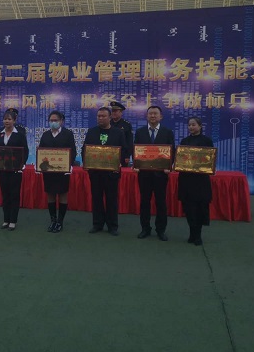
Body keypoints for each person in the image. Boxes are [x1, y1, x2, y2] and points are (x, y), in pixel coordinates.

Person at [82, 107, 127, 236]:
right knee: (96, 198)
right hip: (95, 172)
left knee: (111, 199)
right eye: (98, 116)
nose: (100, 118)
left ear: (110, 117)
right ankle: (97, 224)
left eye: (103, 116)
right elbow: (84, 149)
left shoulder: (118, 132)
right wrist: (86, 162)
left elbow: (124, 150)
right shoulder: (92, 132)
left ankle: (112, 226)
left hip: (111, 173)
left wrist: (120, 163)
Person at [134, 105, 175, 241]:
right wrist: (136, 164)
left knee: (161, 202)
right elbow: (136, 150)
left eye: (155, 114)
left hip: (161, 174)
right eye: (150, 113)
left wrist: (169, 166)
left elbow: (172, 151)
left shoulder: (167, 132)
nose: (152, 116)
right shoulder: (140, 132)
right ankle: (145, 228)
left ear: (160, 116)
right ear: (146, 116)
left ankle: (161, 230)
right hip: (144, 174)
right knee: (144, 202)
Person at [178, 117, 214, 246]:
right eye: (189, 125)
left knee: (200, 208)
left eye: (193, 125)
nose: (191, 127)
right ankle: (191, 233)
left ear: (200, 126)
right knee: (189, 208)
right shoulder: (184, 141)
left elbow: (209, 159)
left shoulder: (207, 141)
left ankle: (198, 235)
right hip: (186, 179)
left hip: (200, 180)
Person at [38, 110, 76, 233]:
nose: (53, 122)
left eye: (56, 120)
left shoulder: (68, 134)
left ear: (61, 121)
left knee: (63, 194)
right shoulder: (45, 135)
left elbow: (73, 151)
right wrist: (39, 165)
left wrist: (69, 165)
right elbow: (41, 151)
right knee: (50, 194)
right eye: (51, 120)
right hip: (49, 171)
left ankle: (60, 221)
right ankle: (53, 220)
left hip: (62, 170)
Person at [0, 110, 29, 231]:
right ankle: (6, 220)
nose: (6, 121)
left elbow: (25, 151)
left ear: (14, 120)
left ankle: (13, 221)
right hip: (2, 169)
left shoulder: (19, 135)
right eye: (5, 119)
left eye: (9, 119)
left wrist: (22, 164)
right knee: (5, 194)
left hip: (15, 170)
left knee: (14, 194)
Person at [110, 101, 133, 166]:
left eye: (115, 111)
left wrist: (127, 155)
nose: (113, 113)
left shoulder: (126, 124)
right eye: (112, 111)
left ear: (121, 112)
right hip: (109, 153)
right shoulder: (108, 123)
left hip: (122, 155)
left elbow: (129, 141)